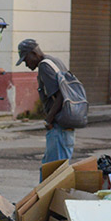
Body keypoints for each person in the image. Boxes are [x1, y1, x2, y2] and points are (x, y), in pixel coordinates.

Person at [17, 38, 74, 166]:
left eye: (26, 59)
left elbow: (61, 95)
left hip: (59, 125)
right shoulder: (54, 61)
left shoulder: (44, 66)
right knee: (58, 167)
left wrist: (48, 119)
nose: (26, 64)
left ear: (34, 54)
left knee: (53, 169)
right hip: (66, 123)